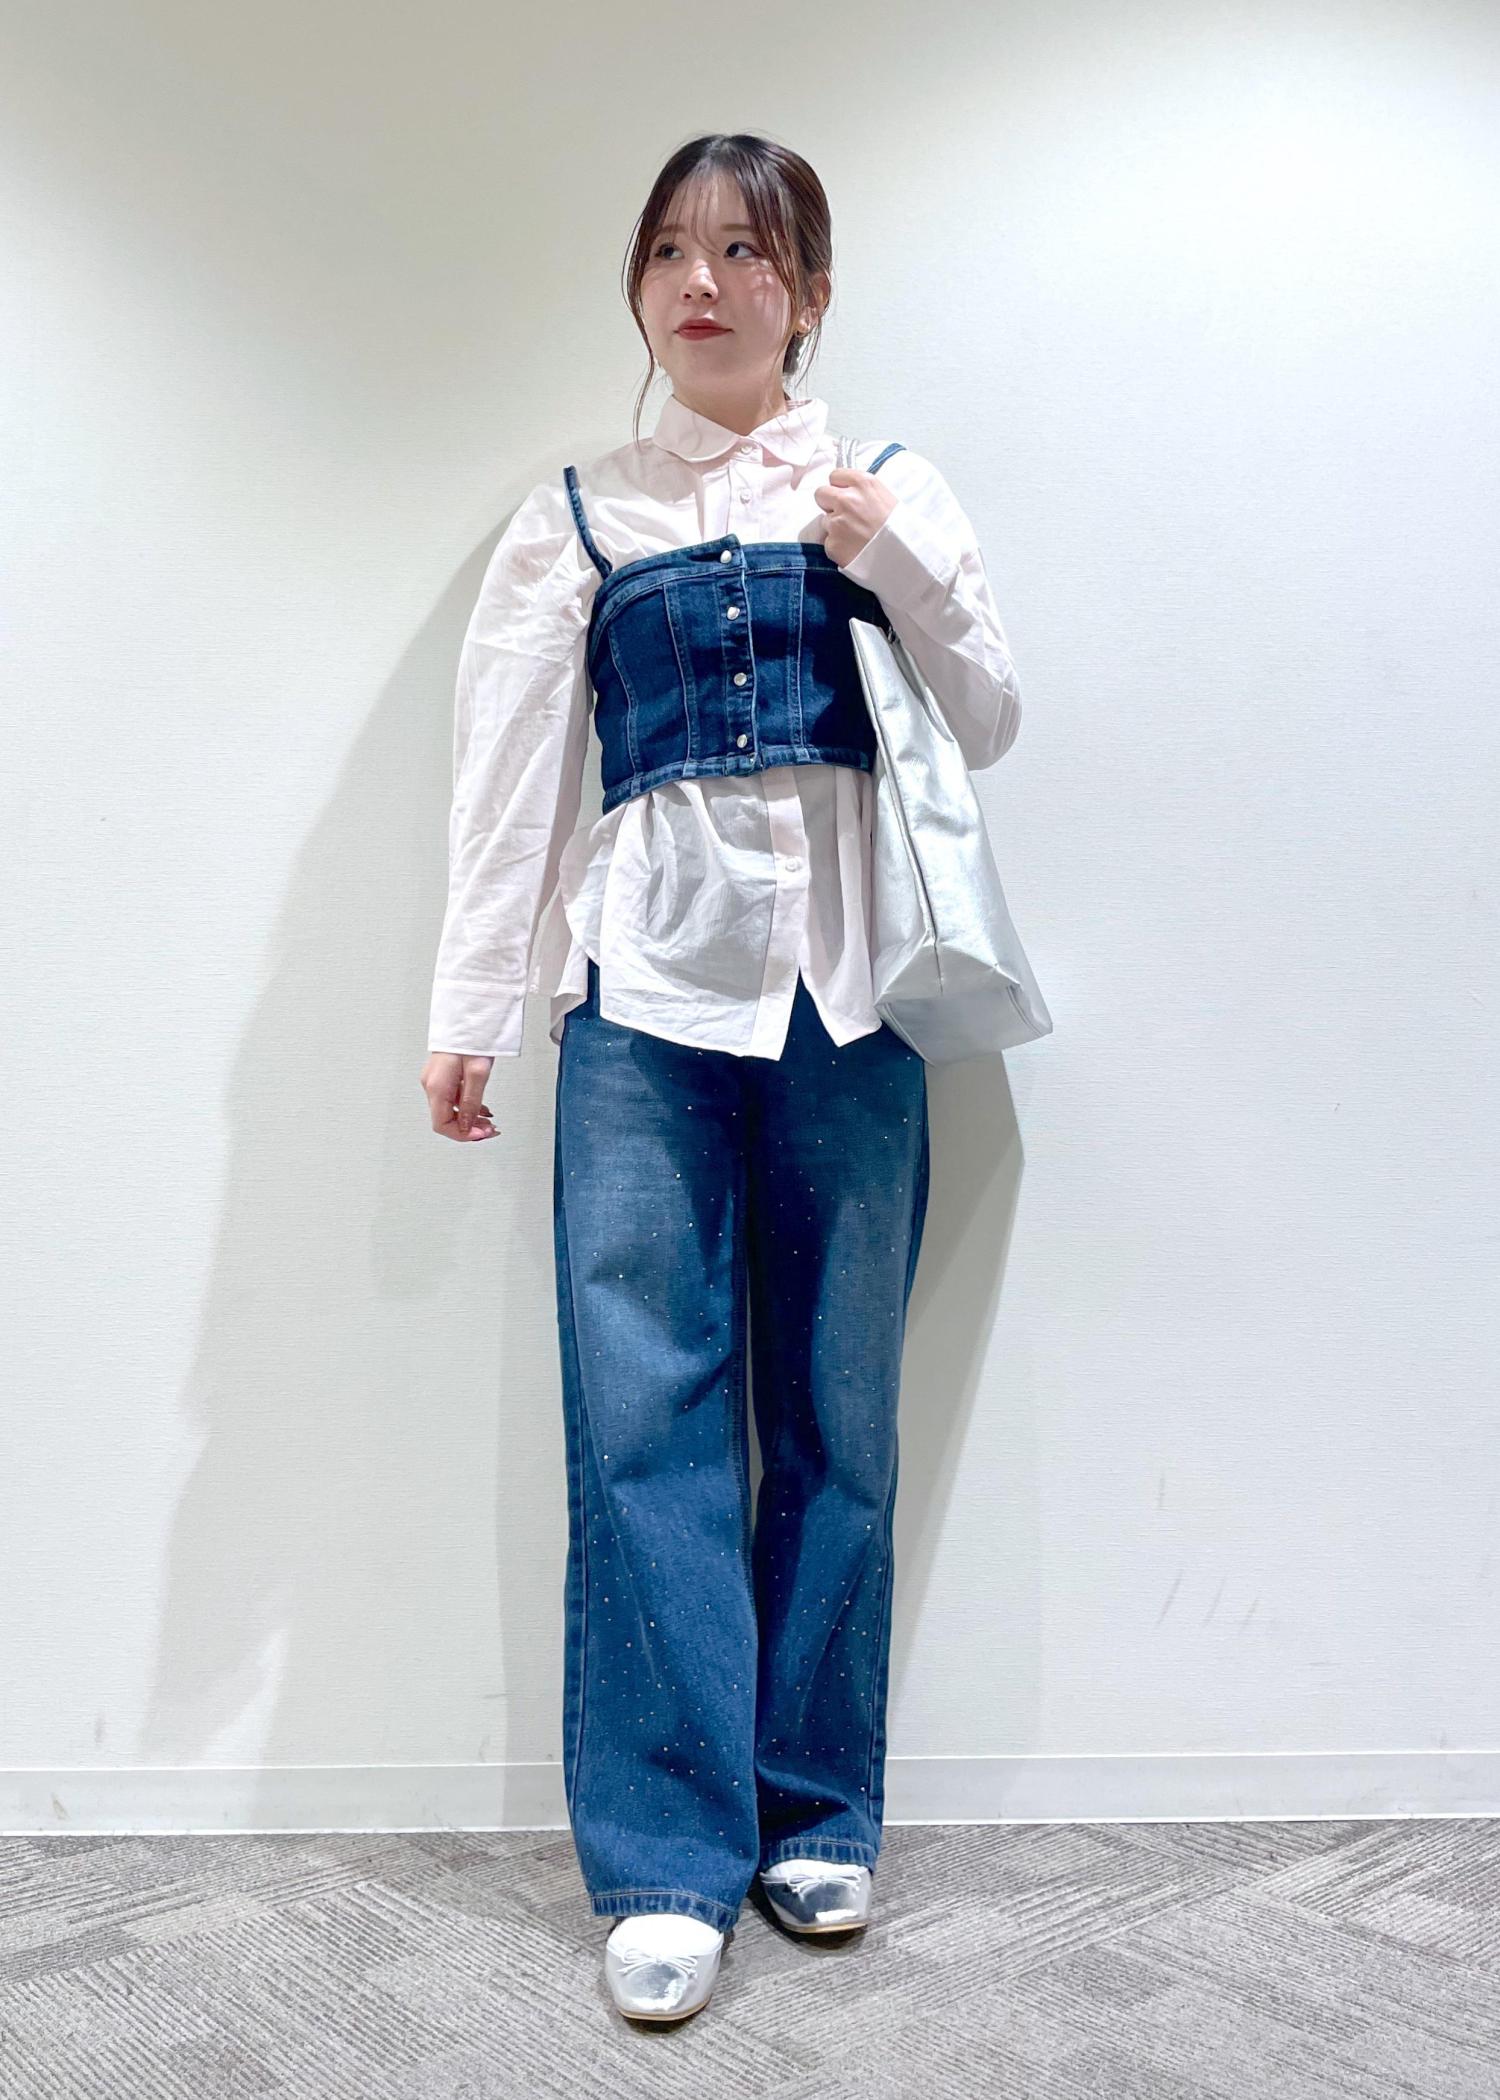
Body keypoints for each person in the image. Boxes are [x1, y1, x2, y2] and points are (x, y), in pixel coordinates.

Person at [419, 132, 1023, 2026]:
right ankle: (668, 1858)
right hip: (642, 1004)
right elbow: (510, 780)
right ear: (639, 287)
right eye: (672, 250)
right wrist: (472, 1004)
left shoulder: (889, 484)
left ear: (808, 292)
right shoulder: (577, 517)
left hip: (853, 1000)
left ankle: (819, 1812)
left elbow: (992, 713)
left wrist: (889, 556)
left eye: (748, 252)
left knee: (840, 1409)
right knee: (644, 1417)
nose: (706, 283)